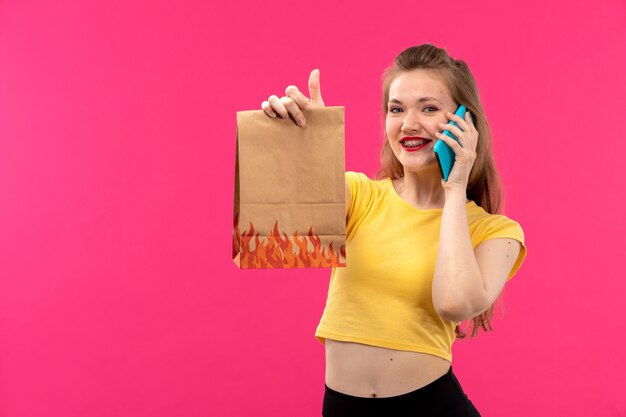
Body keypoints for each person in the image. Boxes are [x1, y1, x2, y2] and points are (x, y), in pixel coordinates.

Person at [260, 44, 527, 417]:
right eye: (396, 109)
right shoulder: (359, 194)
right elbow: (277, 234)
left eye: (429, 108)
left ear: (466, 122)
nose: (408, 123)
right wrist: (304, 145)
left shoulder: (495, 231)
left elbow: (454, 303)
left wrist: (454, 188)